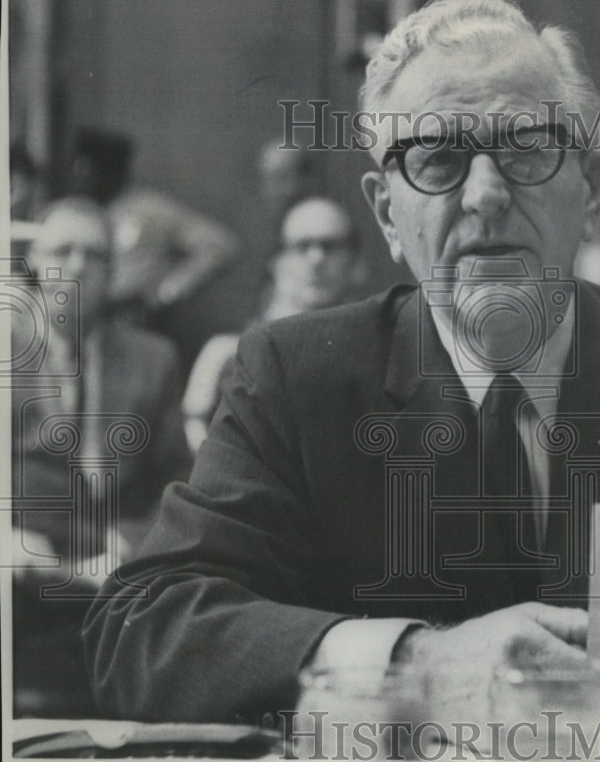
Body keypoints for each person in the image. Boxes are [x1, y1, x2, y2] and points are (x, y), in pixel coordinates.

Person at [84, 0, 600, 725]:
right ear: (387, 214)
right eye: (438, 158)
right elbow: (143, 629)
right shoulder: (294, 376)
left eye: (527, 148)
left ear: (590, 186)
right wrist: (415, 660)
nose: (487, 195)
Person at [10, 197, 191, 716]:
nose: (78, 264)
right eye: (61, 250)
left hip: (113, 566)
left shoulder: (153, 359)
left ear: (114, 272)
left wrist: (127, 544)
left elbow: (176, 481)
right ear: (34, 265)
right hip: (22, 561)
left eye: (95, 254)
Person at [182, 197, 359, 453]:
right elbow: (196, 442)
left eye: (330, 246)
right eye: (301, 246)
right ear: (277, 262)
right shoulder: (227, 356)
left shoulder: (381, 353)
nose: (316, 258)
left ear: (356, 264)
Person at [68, 127, 240, 325]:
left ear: (114, 172)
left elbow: (220, 245)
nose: (81, 178)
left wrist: (165, 292)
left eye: (91, 170)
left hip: (131, 321)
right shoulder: (73, 214)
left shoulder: (150, 211)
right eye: (78, 169)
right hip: (80, 321)